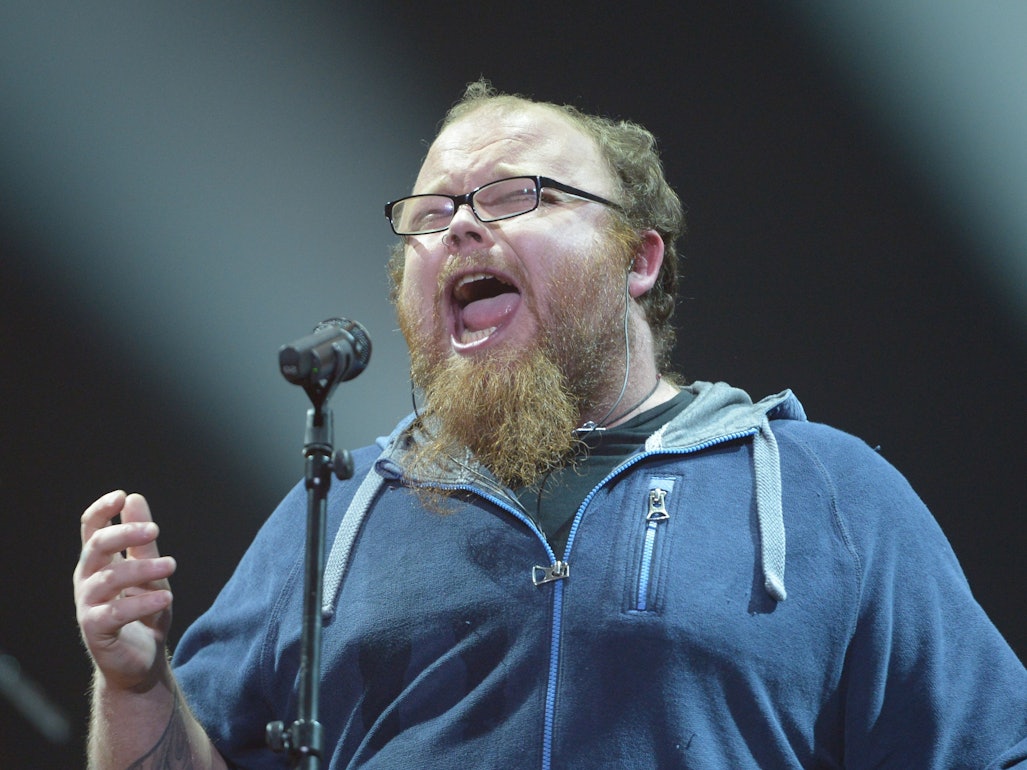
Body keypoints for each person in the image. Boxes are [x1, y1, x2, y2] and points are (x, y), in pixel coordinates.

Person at [74, 79, 1027, 769]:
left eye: (512, 196)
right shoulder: (338, 513)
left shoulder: (823, 491)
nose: (457, 227)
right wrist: (134, 683)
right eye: (432, 209)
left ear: (638, 259)